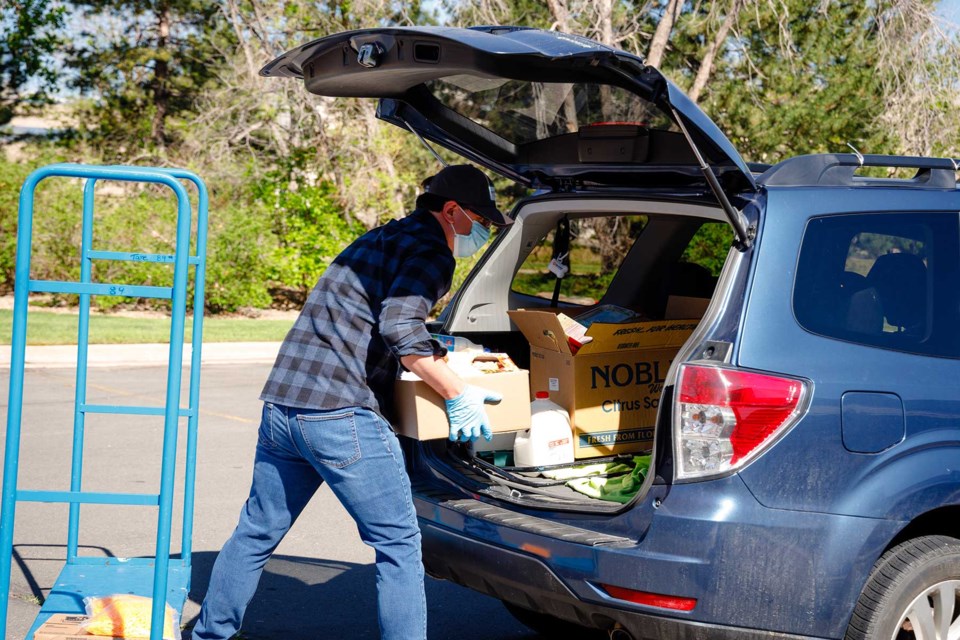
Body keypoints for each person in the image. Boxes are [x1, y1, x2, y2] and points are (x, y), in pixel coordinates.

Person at [191, 164, 511, 640]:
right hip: (341, 415)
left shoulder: (381, 238)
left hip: (284, 406)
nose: (482, 231)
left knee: (257, 533)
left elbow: (374, 318)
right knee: (399, 544)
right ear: (452, 211)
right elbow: (401, 327)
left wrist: (442, 352)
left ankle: (209, 635)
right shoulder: (432, 252)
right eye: (480, 219)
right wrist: (456, 392)